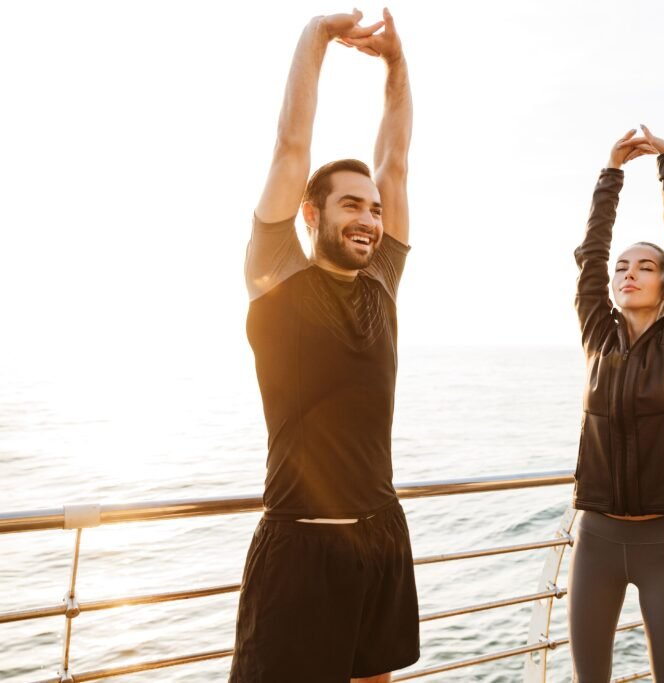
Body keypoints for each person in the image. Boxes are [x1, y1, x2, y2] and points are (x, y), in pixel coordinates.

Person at [229, 9, 417, 682]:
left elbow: (395, 162)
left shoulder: (384, 283)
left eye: (372, 208)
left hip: (380, 532)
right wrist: (316, 38)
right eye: (351, 205)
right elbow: (290, 147)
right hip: (300, 541)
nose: (369, 217)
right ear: (312, 214)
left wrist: (397, 67)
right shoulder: (276, 276)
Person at [568, 125, 664, 682]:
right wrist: (610, 173)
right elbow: (591, 254)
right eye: (622, 268)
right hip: (597, 540)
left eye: (645, 266)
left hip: (663, 544)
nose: (628, 273)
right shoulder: (598, 334)